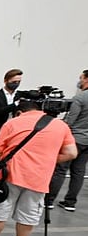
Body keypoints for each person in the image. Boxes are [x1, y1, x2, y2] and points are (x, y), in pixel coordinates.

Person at [0, 91, 76, 236]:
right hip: (39, 178)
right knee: (29, 214)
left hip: (10, 175)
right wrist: (49, 160)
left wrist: (6, 161)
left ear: (19, 111)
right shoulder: (61, 126)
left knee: (1, 208)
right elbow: (71, 153)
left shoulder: (14, 123)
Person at [45, 69, 88, 212]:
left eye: (81, 78)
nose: (79, 81)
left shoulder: (80, 98)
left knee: (60, 170)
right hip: (86, 141)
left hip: (74, 138)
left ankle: (49, 199)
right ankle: (70, 202)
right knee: (78, 172)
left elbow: (70, 121)